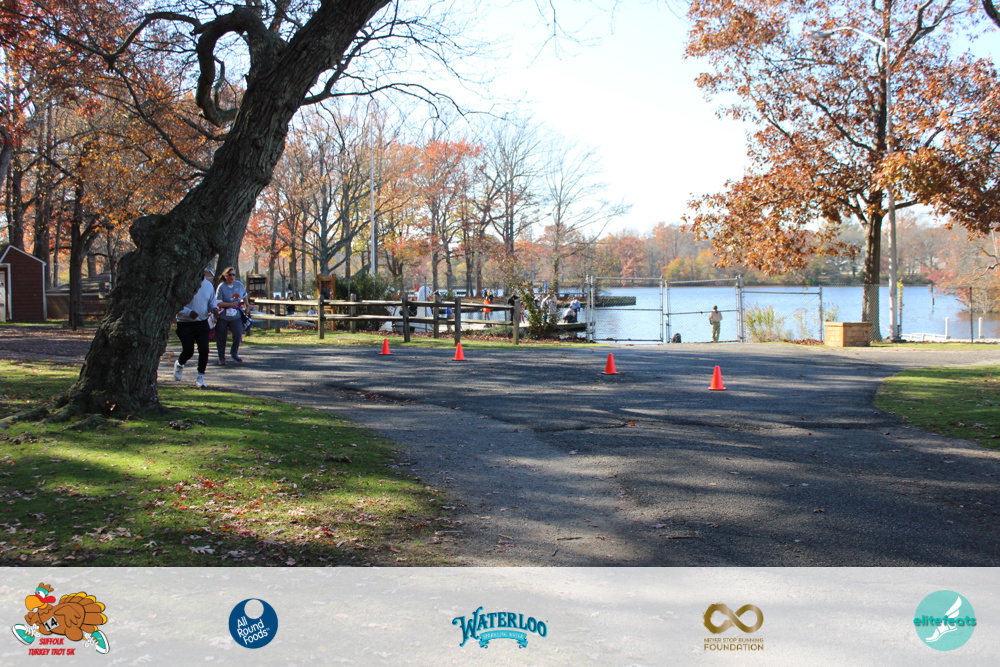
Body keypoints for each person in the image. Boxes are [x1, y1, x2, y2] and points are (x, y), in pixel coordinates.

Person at [174, 267, 218, 388]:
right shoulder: (184, 284)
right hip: (185, 323)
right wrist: (188, 313)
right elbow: (176, 304)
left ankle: (200, 377)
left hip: (202, 322)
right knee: (188, 351)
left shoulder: (208, 285)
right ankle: (180, 364)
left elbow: (212, 301)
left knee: (204, 350)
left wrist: (214, 309)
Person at [215, 267, 249, 364]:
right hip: (223, 316)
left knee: (238, 334)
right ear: (225, 276)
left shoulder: (239, 285)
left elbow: (245, 295)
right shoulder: (221, 287)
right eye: (230, 275)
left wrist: (247, 306)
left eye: (233, 275)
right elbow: (218, 303)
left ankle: (234, 354)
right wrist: (229, 304)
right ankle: (221, 358)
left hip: (236, 316)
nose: (232, 277)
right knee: (221, 337)